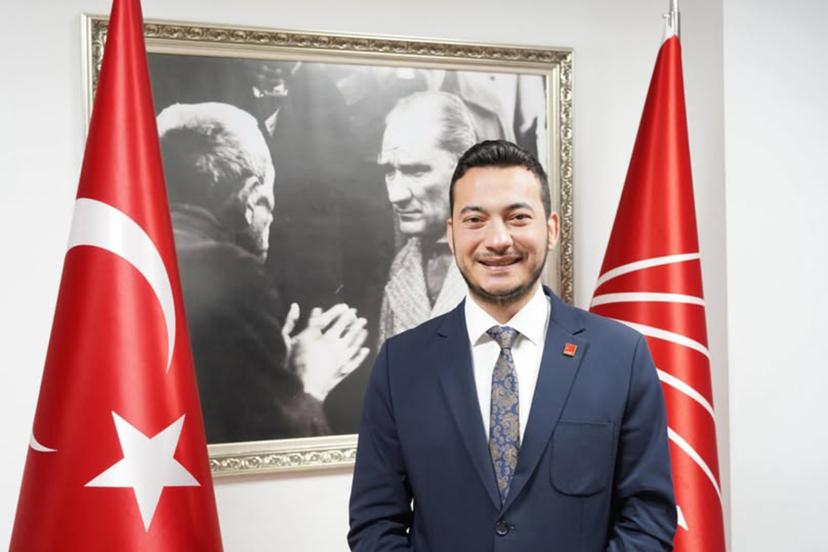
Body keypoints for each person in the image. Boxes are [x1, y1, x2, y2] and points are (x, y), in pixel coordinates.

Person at [349, 140, 677, 550]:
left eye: (518, 217)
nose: (498, 239)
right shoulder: (401, 365)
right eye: (475, 220)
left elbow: (647, 519)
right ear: (451, 233)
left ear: (551, 229)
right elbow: (375, 523)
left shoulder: (621, 356)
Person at [156, 102, 369, 443]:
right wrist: (307, 384)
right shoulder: (232, 270)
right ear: (252, 200)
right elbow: (271, 447)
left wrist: (268, 361)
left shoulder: (127, 254)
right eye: (269, 202)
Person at [376, 91, 476, 345]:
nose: (395, 195)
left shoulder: (514, 264)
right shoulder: (402, 265)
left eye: (416, 171)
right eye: (389, 171)